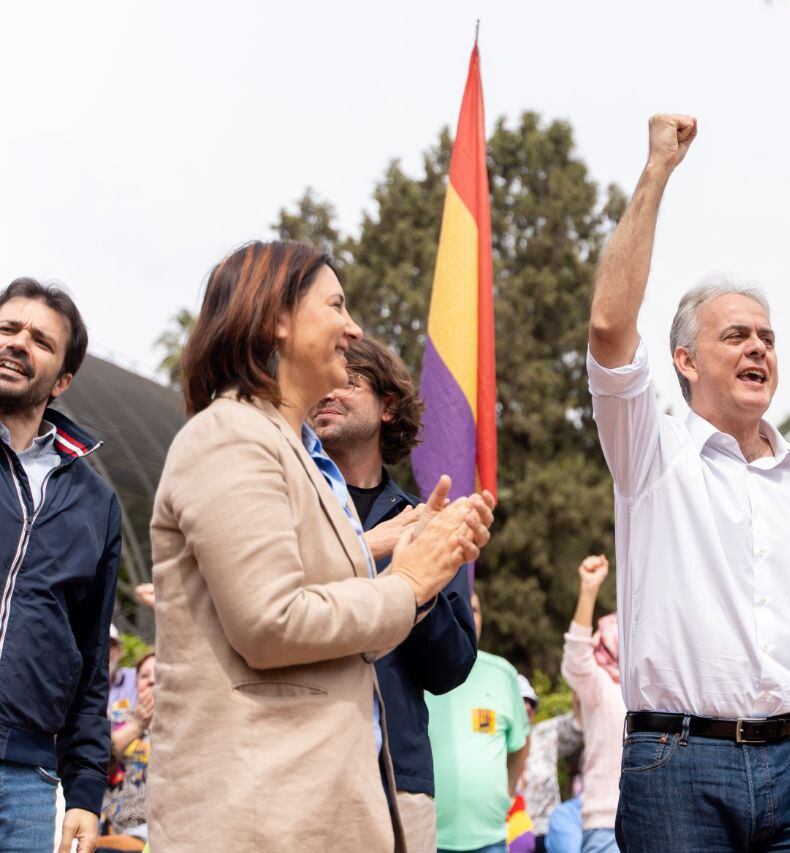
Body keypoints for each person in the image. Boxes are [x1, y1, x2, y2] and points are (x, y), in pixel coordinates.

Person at [588, 114, 790, 852]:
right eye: (735, 335)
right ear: (686, 361)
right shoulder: (650, 449)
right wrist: (658, 170)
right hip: (677, 768)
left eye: (767, 336)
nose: (758, 345)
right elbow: (609, 327)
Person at [148, 241, 495, 851]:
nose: (352, 327)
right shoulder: (231, 436)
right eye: (335, 305)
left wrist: (430, 567)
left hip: (323, 802)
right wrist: (408, 581)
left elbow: (410, 652)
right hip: (258, 812)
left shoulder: (302, 460)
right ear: (277, 319)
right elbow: (270, 621)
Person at [312, 335, 479, 852]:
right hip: (295, 772)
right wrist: (369, 547)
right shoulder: (281, 503)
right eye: (319, 383)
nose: (327, 393)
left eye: (347, 380)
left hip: (396, 782)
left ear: (388, 406)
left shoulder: (425, 521)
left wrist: (417, 584)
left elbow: (449, 669)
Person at [0, 277, 120, 853]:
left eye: (40, 341)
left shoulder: (96, 504)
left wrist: (85, 791)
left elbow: (92, 660)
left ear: (63, 379)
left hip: (28, 779)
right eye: (7, 329)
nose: (19, 342)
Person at [427, 591, 532, 853]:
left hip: (491, 839)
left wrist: (505, 794)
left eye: (475, 610)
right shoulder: (420, 673)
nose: (469, 618)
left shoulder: (502, 672)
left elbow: (520, 744)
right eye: (459, 609)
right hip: (428, 838)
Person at [560, 555, 626, 853]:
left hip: (654, 816)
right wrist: (588, 590)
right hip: (605, 824)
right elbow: (576, 657)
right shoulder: (599, 684)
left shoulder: (653, 688)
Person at [515, 677, 583, 851]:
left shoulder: (546, 733)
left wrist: (581, 680)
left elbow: (579, 721)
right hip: (508, 835)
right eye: (522, 700)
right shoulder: (492, 742)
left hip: (545, 833)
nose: (528, 706)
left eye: (532, 702)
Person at [101, 651, 155, 840]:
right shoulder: (116, 718)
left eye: (159, 673)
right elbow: (97, 759)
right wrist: (137, 725)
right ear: (136, 684)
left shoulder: (187, 724)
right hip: (120, 832)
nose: (152, 681)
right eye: (144, 676)